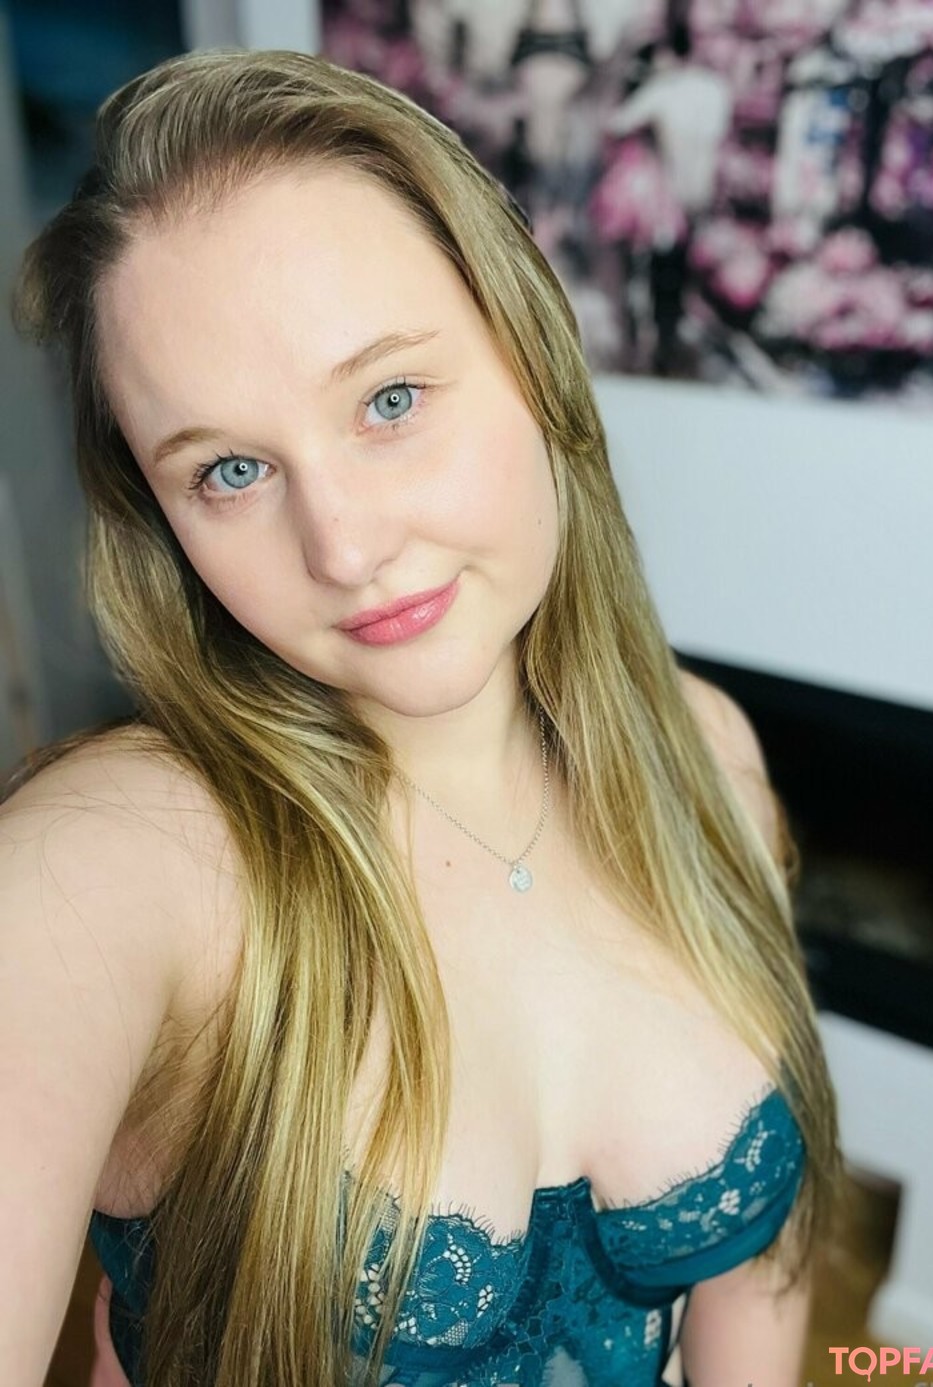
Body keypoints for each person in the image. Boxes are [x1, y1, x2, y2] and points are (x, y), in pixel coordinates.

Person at [2, 48, 841, 1387]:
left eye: (389, 401)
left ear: (530, 346)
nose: (344, 549)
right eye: (231, 470)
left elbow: (763, 1289)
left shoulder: (708, 755)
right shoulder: (106, 869)